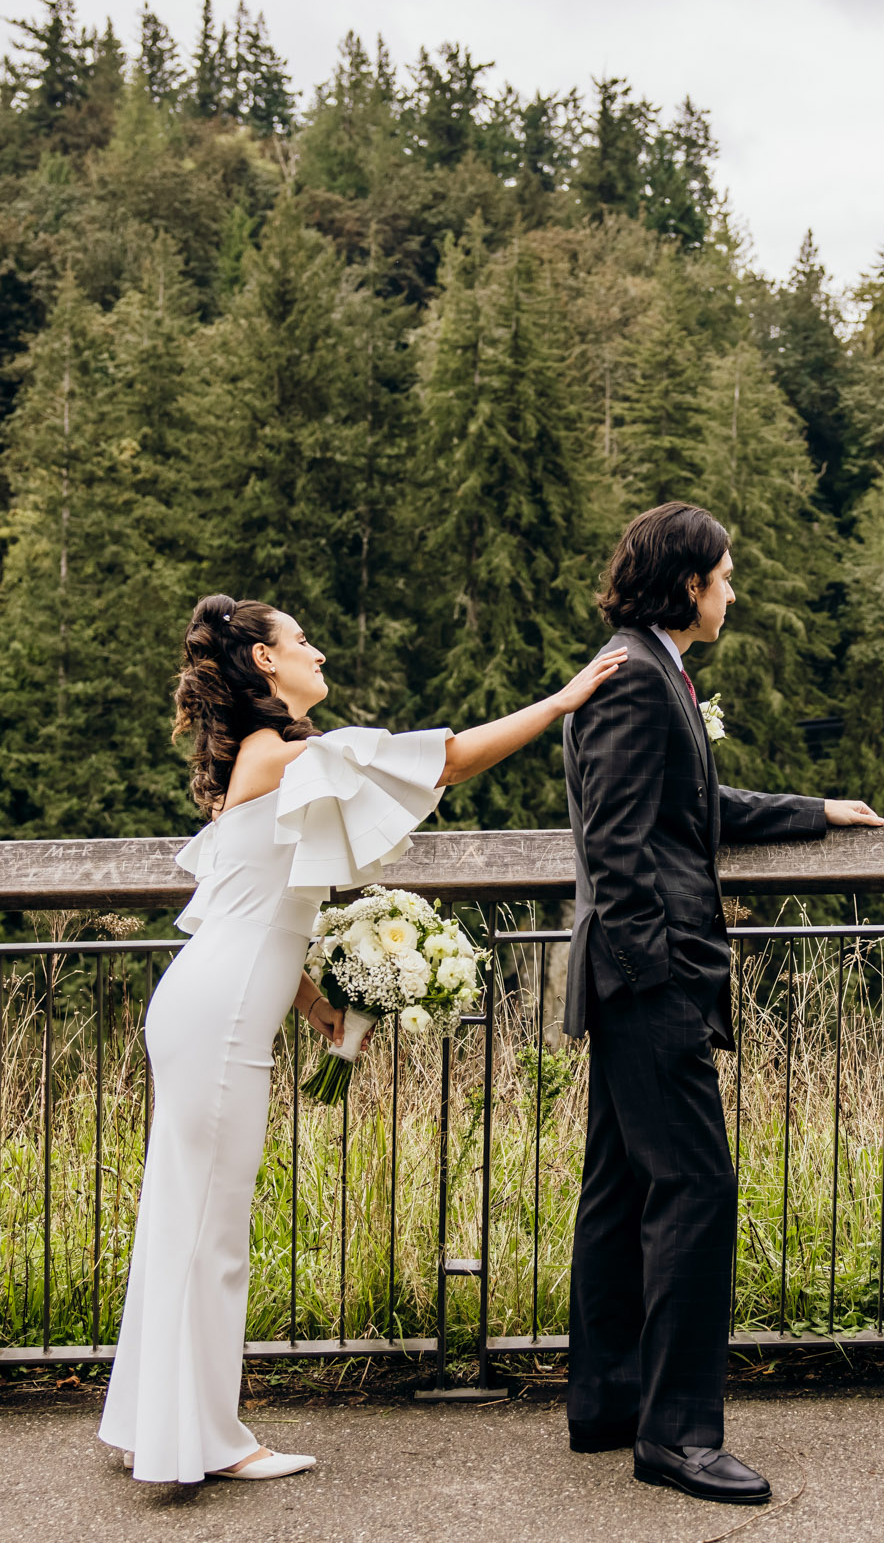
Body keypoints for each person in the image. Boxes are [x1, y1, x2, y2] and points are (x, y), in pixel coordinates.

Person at [98, 593, 625, 1485]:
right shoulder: (291, 755)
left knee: (186, 1219)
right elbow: (448, 760)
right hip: (219, 1014)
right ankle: (208, 1442)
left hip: (212, 1003)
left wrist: (315, 1006)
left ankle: (157, 1427)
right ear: (265, 663)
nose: (319, 647)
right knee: (210, 1231)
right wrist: (564, 700)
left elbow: (260, 913)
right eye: (302, 640)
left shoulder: (267, 762)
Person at [561, 503, 884, 1505]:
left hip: (637, 980)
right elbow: (613, 851)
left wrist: (813, 810)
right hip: (648, 981)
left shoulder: (648, 665)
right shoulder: (629, 679)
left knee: (622, 1193)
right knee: (699, 1194)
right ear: (686, 584)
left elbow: (696, 806)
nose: (734, 592)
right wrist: (657, 974)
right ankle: (678, 1437)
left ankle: (609, 1402)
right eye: (725, 576)